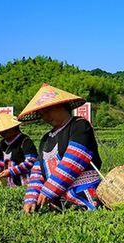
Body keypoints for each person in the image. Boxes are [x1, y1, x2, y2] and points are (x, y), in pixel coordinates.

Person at [18, 83, 103, 215]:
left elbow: (74, 159)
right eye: (41, 115)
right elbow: (38, 169)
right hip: (57, 201)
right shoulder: (46, 138)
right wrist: (31, 197)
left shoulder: (79, 126)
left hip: (82, 194)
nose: (45, 117)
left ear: (60, 105)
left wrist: (49, 190)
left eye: (47, 111)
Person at [0, 112, 38, 189]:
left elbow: (31, 161)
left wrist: (11, 171)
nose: (1, 133)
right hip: (11, 186)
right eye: (0, 131)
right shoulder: (2, 144)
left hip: (27, 185)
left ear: (13, 127)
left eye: (4, 130)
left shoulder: (25, 141)